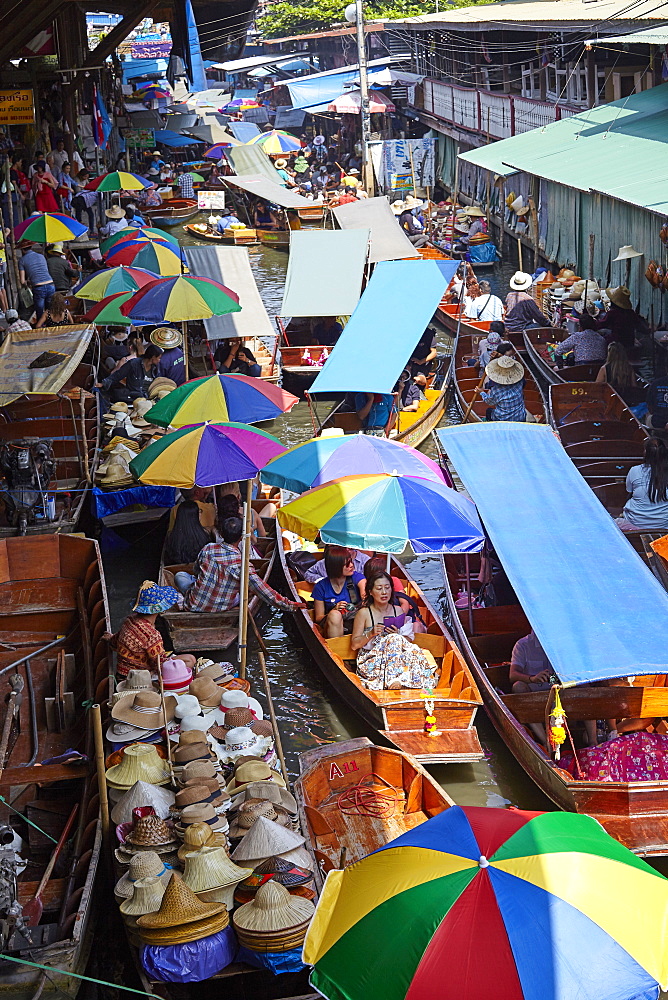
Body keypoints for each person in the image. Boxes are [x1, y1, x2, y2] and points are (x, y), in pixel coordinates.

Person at [174, 515, 305, 613]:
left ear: (221, 534)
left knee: (180, 576)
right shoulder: (242, 564)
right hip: (221, 607)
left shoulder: (208, 549)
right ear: (241, 538)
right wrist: (289, 605)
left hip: (194, 604)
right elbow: (264, 591)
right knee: (244, 593)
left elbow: (197, 571)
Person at [351, 571, 438, 691]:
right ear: (371, 592)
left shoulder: (398, 611)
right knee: (393, 638)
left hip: (397, 658)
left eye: (387, 588)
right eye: (379, 588)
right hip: (373, 659)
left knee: (401, 642)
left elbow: (407, 641)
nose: (384, 592)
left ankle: (399, 679)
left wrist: (397, 634)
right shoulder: (364, 613)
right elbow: (355, 645)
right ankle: (395, 679)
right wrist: (371, 634)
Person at [103, 580, 196, 679]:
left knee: (188, 659)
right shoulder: (152, 635)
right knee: (190, 660)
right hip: (140, 677)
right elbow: (160, 666)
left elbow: (115, 642)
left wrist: (110, 638)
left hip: (122, 672)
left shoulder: (129, 620)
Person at [616, 437, 668, 532]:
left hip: (635, 523)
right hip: (663, 527)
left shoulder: (634, 470)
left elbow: (629, 491)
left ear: (645, 453)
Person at [313, 546, 364, 638]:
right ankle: (335, 649)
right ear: (336, 567)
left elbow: (364, 590)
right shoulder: (320, 586)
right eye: (347, 564)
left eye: (351, 562)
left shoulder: (356, 578)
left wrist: (366, 597)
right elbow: (318, 618)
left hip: (354, 624)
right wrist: (335, 609)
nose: (352, 565)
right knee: (334, 615)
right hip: (332, 626)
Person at [595, 342, 647, 416]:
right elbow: (634, 386)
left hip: (611, 400)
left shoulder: (604, 369)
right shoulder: (628, 368)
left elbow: (597, 387)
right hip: (627, 400)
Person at [98, 344, 163, 403]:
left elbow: (158, 383)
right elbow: (118, 375)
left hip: (148, 399)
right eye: (159, 358)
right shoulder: (133, 364)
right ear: (153, 357)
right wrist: (103, 383)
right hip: (133, 398)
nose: (159, 360)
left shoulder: (155, 369)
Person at [163, 499, 213, 565]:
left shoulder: (172, 536)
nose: (200, 513)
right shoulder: (204, 535)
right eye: (199, 511)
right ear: (195, 515)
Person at [597, 287, 645, 353]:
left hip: (616, 341)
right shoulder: (630, 312)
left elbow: (601, 324)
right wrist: (648, 330)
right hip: (629, 341)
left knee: (602, 336)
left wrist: (590, 323)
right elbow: (639, 325)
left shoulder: (612, 313)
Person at [482, 355, 526, 422]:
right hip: (520, 417)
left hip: (502, 418)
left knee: (489, 411)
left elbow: (489, 402)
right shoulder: (520, 382)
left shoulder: (496, 390)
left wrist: (481, 393)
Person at [19, 244, 55, 318]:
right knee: (50, 311)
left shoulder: (22, 260)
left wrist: (28, 282)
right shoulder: (41, 256)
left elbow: (22, 281)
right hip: (51, 284)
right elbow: (45, 271)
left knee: (40, 312)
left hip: (39, 287)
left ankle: (41, 326)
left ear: (22, 250)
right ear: (31, 247)